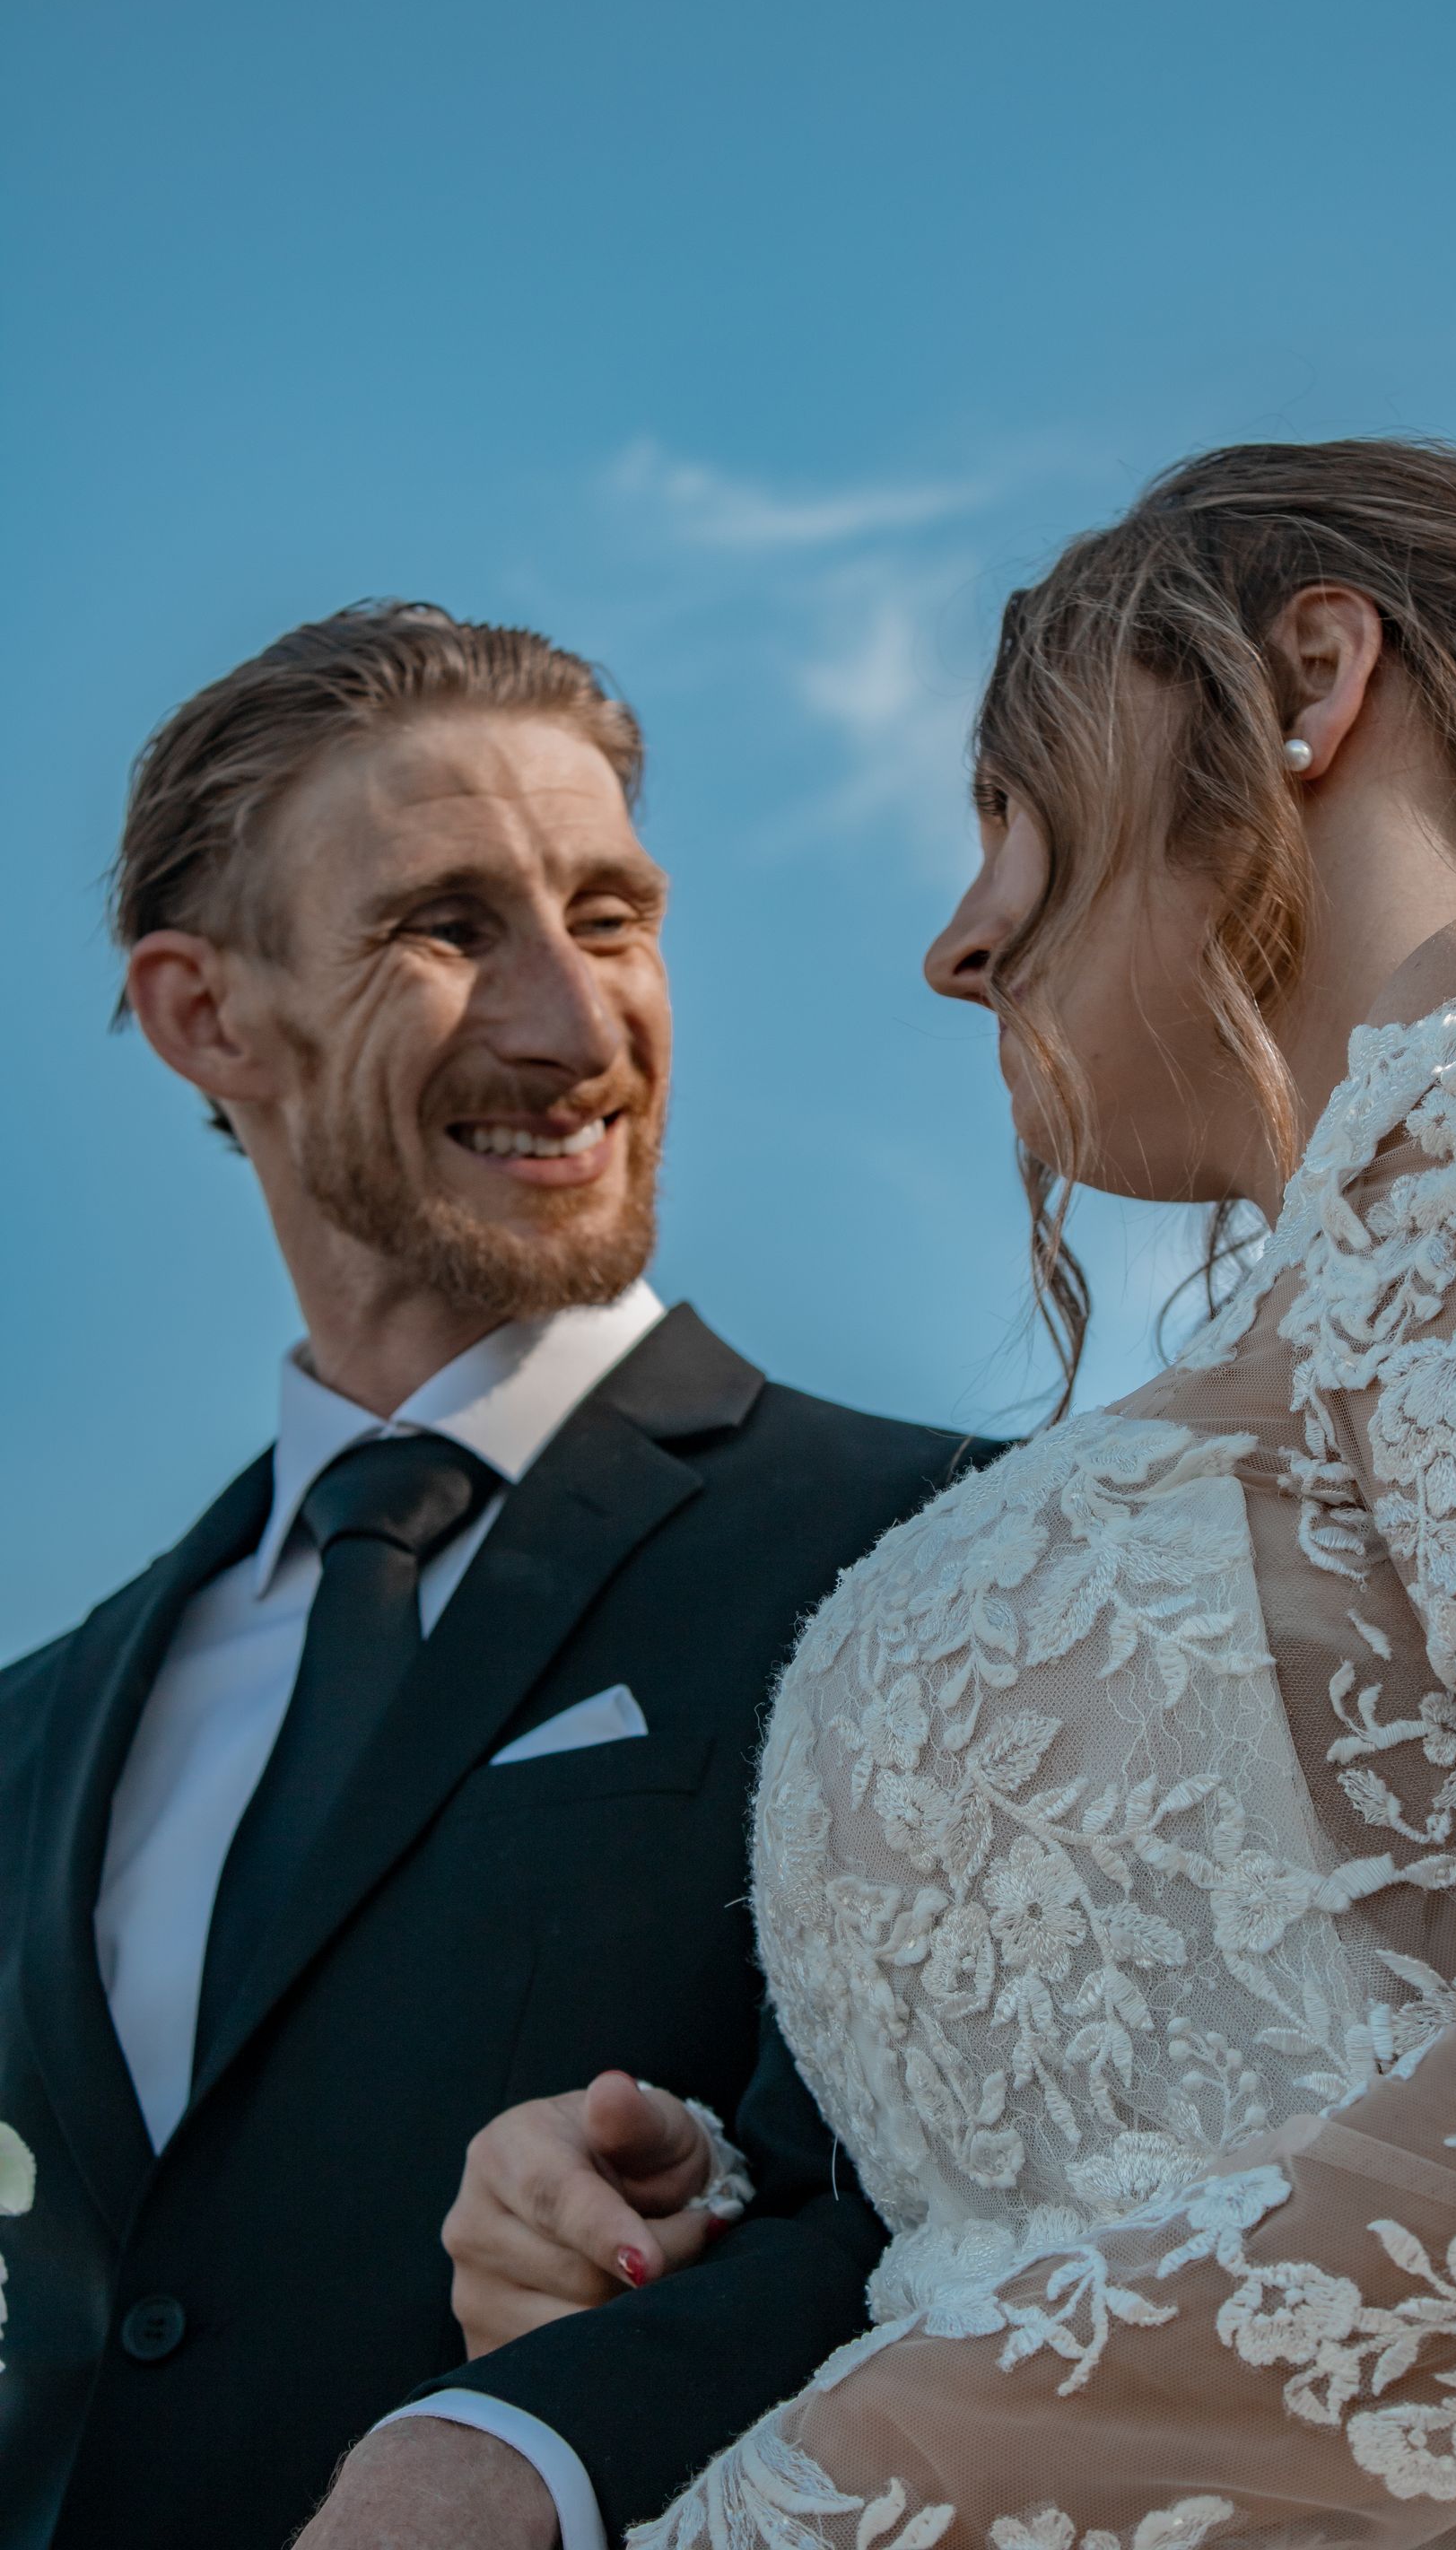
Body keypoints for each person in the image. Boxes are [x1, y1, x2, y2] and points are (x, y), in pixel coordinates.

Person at [438, 446, 1456, 2547]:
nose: (960, 944)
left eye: (1011, 800)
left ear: (1311, 675)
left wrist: (844, 2485)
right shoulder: (1406, 1241)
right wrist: (754, 2205)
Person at [0, 604, 1000, 2550]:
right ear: (208, 1016)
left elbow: (999, 2225)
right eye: (446, 929)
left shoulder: (947, 1545)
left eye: (613, 920)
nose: (570, 1024)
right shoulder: (32, 1729)